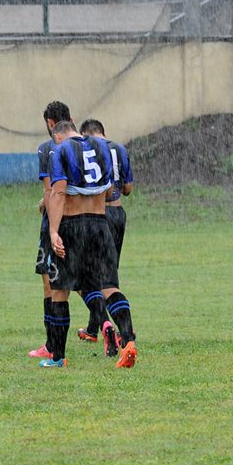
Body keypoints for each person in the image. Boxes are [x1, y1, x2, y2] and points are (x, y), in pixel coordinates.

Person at [45, 120, 138, 369]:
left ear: (57, 135)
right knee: (109, 286)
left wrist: (54, 231)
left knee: (59, 291)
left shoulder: (61, 150)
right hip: (101, 224)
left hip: (74, 225)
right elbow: (111, 192)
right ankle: (128, 340)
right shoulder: (103, 148)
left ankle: (57, 357)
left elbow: (58, 193)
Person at [28, 102, 116, 359]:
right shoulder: (91, 145)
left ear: (51, 124)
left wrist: (47, 211)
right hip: (93, 220)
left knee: (52, 285)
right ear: (72, 120)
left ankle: (52, 346)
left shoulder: (50, 148)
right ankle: (105, 323)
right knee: (85, 283)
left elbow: (52, 190)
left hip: (60, 223)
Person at [78, 118, 133, 341]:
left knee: (86, 278)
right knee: (108, 274)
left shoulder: (88, 149)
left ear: (85, 134)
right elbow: (127, 189)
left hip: (98, 216)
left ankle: (116, 329)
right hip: (119, 215)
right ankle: (93, 328)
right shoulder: (120, 149)